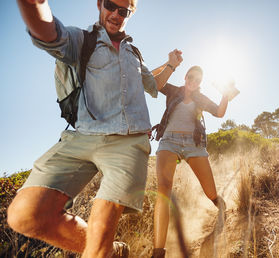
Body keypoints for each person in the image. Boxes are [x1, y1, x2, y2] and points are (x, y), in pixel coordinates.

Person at [7, 0, 182, 257]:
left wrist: (172, 65)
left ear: (129, 15)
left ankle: (102, 248)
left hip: (128, 142)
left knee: (99, 235)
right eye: (111, 5)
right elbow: (48, 33)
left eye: (124, 11)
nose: (116, 14)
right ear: (100, 3)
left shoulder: (133, 53)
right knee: (24, 215)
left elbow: (153, 84)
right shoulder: (81, 39)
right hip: (81, 137)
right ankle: (112, 251)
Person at [151, 66, 229, 258]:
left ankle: (221, 207)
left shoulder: (201, 98)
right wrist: (168, 64)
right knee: (164, 190)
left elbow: (219, 112)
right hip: (169, 141)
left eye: (198, 80)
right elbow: (151, 79)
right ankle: (158, 251)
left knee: (210, 191)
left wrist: (226, 94)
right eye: (191, 77)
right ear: (185, 77)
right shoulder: (172, 90)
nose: (193, 81)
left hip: (194, 145)